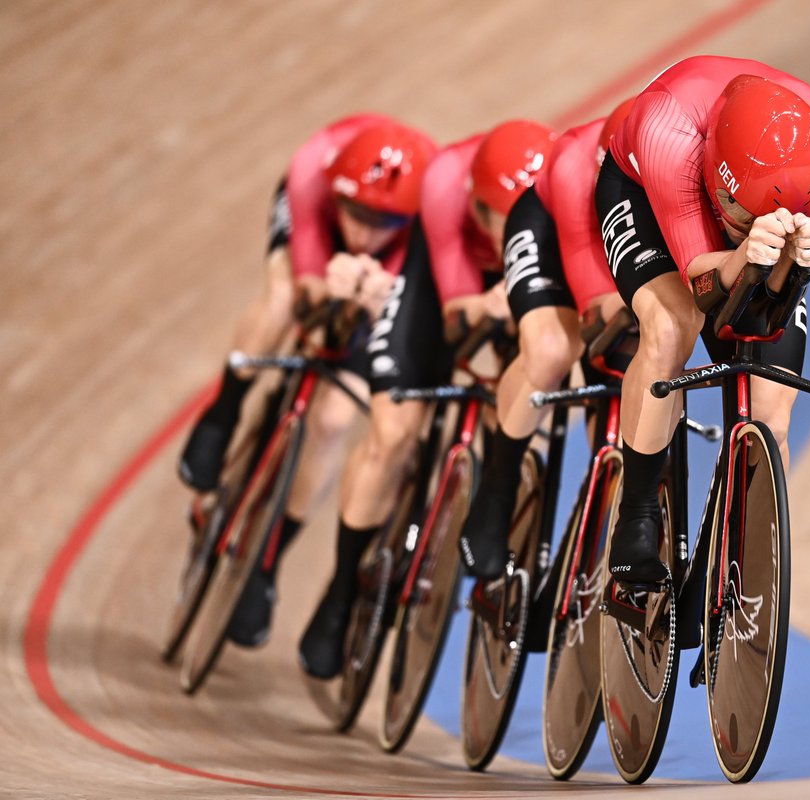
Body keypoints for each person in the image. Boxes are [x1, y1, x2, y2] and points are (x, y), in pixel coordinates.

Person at [297, 117, 558, 677]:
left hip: (516, 285)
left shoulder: (549, 207)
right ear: (477, 206)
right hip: (437, 284)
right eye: (498, 224)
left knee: (524, 400)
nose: (506, 238)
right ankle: (341, 591)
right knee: (392, 435)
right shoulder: (445, 185)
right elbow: (458, 317)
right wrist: (489, 306)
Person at [176, 114, 438, 649]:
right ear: (338, 193)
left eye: (380, 221)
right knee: (280, 302)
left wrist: (370, 304)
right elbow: (307, 289)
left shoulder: (425, 222)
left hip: (392, 264)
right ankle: (225, 410)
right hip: (309, 228)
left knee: (334, 418)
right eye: (356, 214)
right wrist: (324, 294)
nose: (364, 232)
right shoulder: (312, 174)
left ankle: (267, 560)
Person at [594, 55, 810, 585]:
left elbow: (769, 304)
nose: (745, 228)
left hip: (747, 200)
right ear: (721, 185)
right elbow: (701, 285)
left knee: (772, 411)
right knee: (670, 327)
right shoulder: (671, 134)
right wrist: (741, 254)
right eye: (742, 216)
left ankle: (747, 578)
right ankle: (637, 514)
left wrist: (796, 262)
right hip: (647, 193)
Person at [458, 100, 634, 580]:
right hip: (557, 229)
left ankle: (587, 541)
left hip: (622, 237)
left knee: (639, 378)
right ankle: (496, 492)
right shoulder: (577, 163)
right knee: (554, 348)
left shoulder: (677, 177)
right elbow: (589, 291)